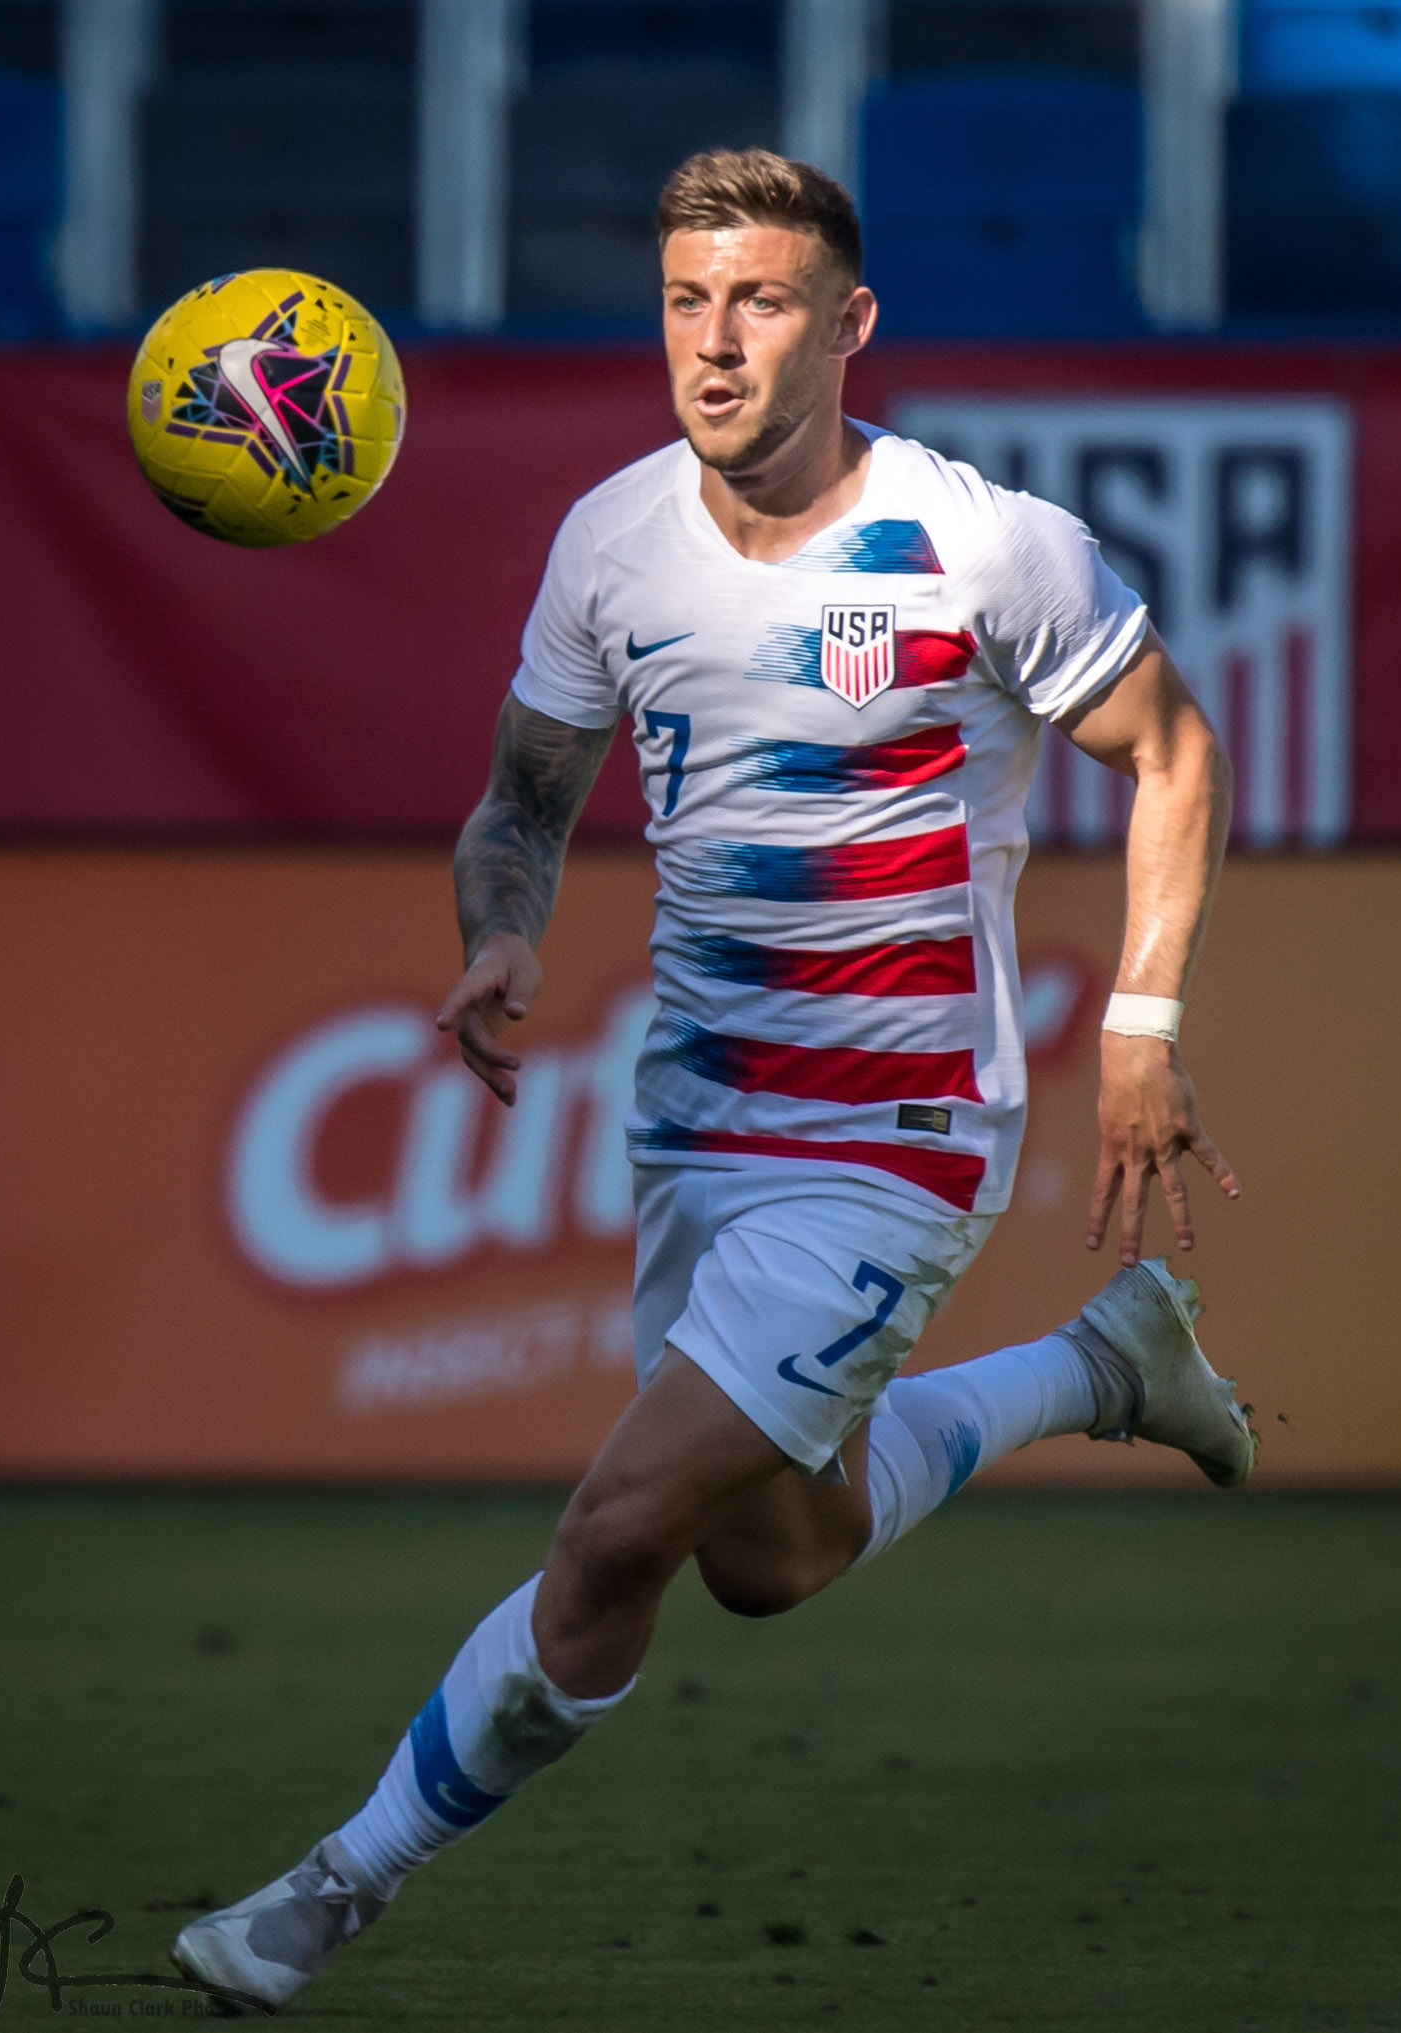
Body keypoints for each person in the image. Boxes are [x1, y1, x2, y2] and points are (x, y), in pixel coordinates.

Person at [171, 147, 1252, 2013]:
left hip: (899, 1135)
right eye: (686, 300)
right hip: (695, 1124)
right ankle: (1104, 1361)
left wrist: (1142, 1030)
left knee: (612, 1538)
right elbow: (521, 802)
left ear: (849, 325)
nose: (716, 341)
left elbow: (1172, 750)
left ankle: (324, 1893)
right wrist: (499, 931)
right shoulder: (612, 544)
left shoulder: (979, 541)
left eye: (758, 301)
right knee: (776, 1557)